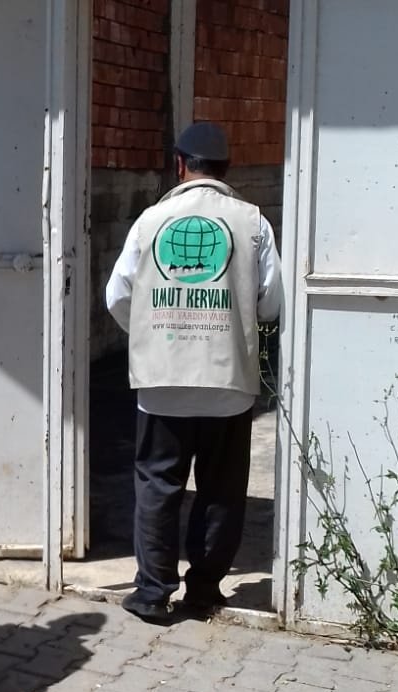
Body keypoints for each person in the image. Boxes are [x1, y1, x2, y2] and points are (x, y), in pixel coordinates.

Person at [105, 121, 282, 624]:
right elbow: (271, 303)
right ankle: (203, 592)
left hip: (162, 382)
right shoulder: (253, 223)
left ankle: (153, 594)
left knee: (158, 485)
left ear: (180, 165)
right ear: (228, 170)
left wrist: (150, 329)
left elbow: (117, 296)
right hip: (228, 383)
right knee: (221, 490)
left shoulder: (150, 220)